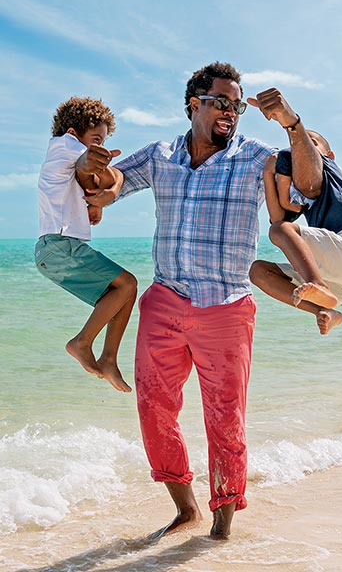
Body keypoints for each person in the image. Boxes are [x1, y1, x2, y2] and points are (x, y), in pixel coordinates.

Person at [76, 62, 322, 539]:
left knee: (225, 418)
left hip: (227, 307)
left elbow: (307, 188)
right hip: (165, 299)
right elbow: (110, 187)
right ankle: (185, 509)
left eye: (237, 105)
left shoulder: (257, 157)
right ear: (195, 104)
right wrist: (94, 170)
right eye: (222, 102)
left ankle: (222, 523)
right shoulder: (161, 155)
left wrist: (293, 125)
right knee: (153, 408)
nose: (231, 112)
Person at [35, 96, 137, 392]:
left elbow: (95, 176)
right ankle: (82, 342)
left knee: (122, 294)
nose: (101, 147)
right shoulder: (64, 145)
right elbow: (103, 171)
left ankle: (108, 359)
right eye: (96, 139)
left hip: (54, 250)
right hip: (60, 245)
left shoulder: (63, 160)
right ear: (72, 133)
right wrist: (112, 185)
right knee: (128, 283)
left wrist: (96, 201)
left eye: (103, 141)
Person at [250, 130, 342, 335]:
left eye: (312, 143)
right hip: (338, 285)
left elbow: (280, 227)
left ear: (330, 155)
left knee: (280, 230)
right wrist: (267, 174)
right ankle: (324, 310)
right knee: (258, 271)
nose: (301, 148)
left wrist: (290, 148)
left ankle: (317, 284)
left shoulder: (329, 169)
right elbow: (278, 219)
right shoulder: (305, 195)